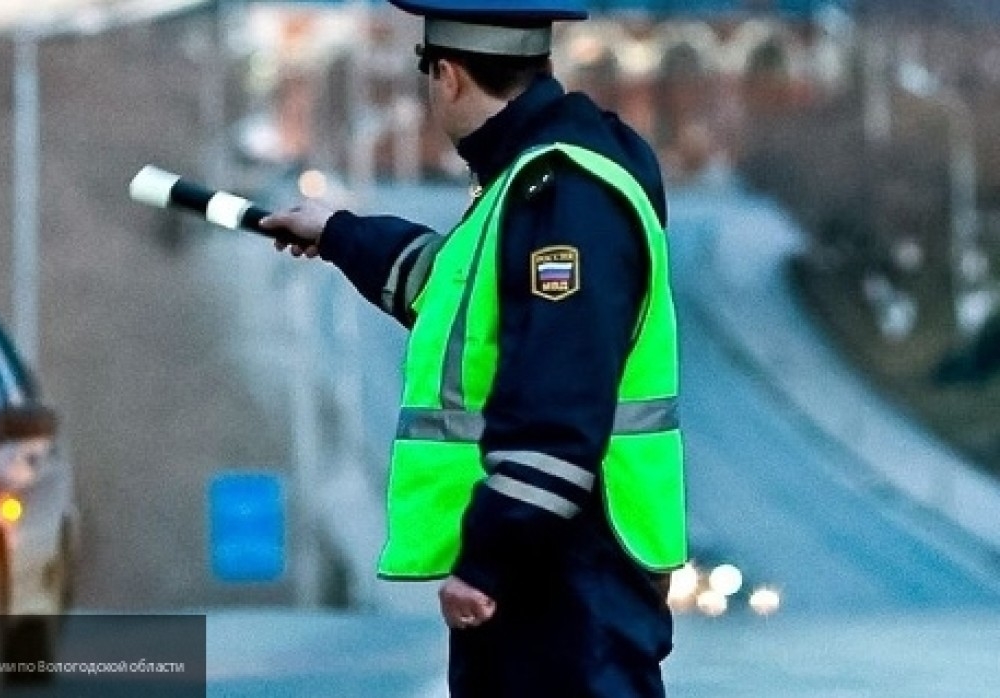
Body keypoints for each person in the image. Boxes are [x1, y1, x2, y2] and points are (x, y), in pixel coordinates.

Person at [261, 1, 686, 695]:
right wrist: (338, 235)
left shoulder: (563, 196)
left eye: (426, 72)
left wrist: (487, 559)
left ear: (449, 75)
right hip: (559, 573)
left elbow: (558, 405)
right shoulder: (534, 180)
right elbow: (452, 293)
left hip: (567, 577)